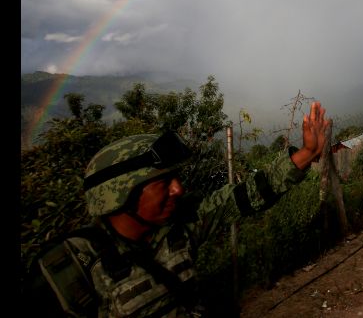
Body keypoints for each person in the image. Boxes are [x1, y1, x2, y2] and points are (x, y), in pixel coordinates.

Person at [24, 101, 332, 317]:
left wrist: (306, 154)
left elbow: (245, 196)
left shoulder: (182, 223)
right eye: (163, 182)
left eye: (176, 178)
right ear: (120, 194)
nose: (178, 189)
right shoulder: (71, 266)